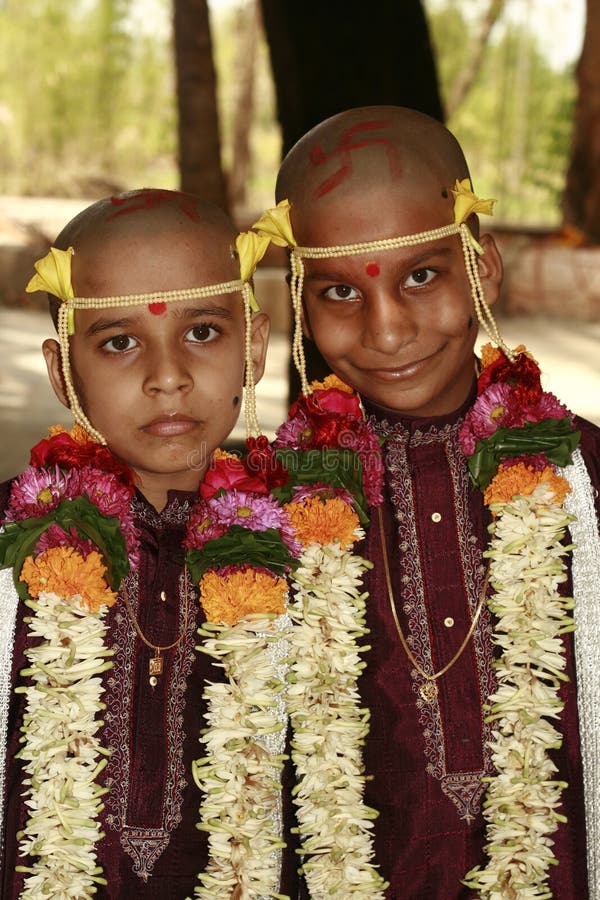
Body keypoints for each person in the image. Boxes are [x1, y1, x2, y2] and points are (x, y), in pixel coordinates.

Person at [250, 107, 600, 899]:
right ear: (302, 302)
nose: (389, 329)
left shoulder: (588, 482)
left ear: (484, 269)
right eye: (342, 291)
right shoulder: (258, 515)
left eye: (421, 275)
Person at [0, 188, 302, 898]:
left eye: (201, 332)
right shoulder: (14, 540)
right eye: (119, 342)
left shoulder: (309, 545)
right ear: (62, 369)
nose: (167, 377)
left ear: (255, 346)